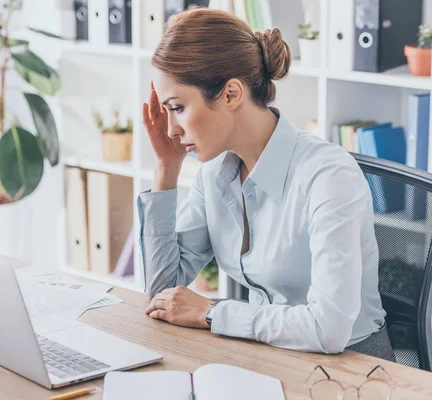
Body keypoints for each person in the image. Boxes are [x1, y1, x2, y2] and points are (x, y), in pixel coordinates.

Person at [139, 8, 394, 361]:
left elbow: (328, 328)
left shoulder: (328, 176)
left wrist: (211, 312)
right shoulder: (216, 174)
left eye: (178, 108)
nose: (170, 129)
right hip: (269, 354)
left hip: (351, 367)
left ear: (230, 94)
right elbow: (162, 294)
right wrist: (165, 169)